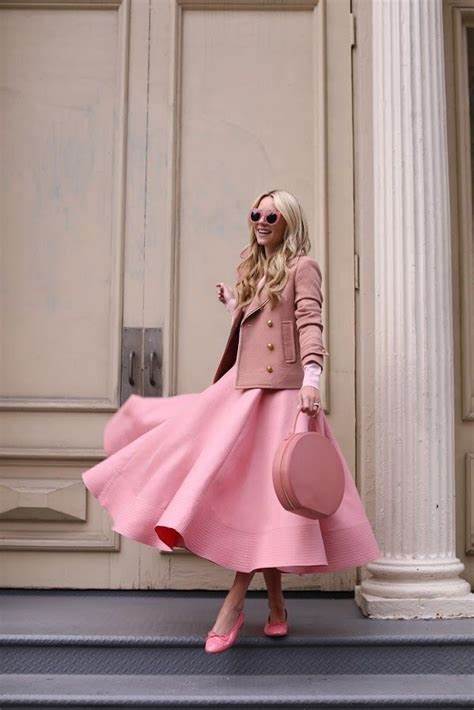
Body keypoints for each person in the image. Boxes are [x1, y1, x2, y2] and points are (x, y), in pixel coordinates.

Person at [81, 189, 381, 654]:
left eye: (271, 215)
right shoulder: (260, 268)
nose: (261, 221)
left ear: (289, 222)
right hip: (243, 392)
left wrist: (313, 380)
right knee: (244, 490)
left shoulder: (303, 266)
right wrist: (232, 306)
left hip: (283, 397)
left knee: (270, 500)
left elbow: (308, 323)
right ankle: (277, 606)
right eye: (256, 214)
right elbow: (264, 325)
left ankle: (234, 603)